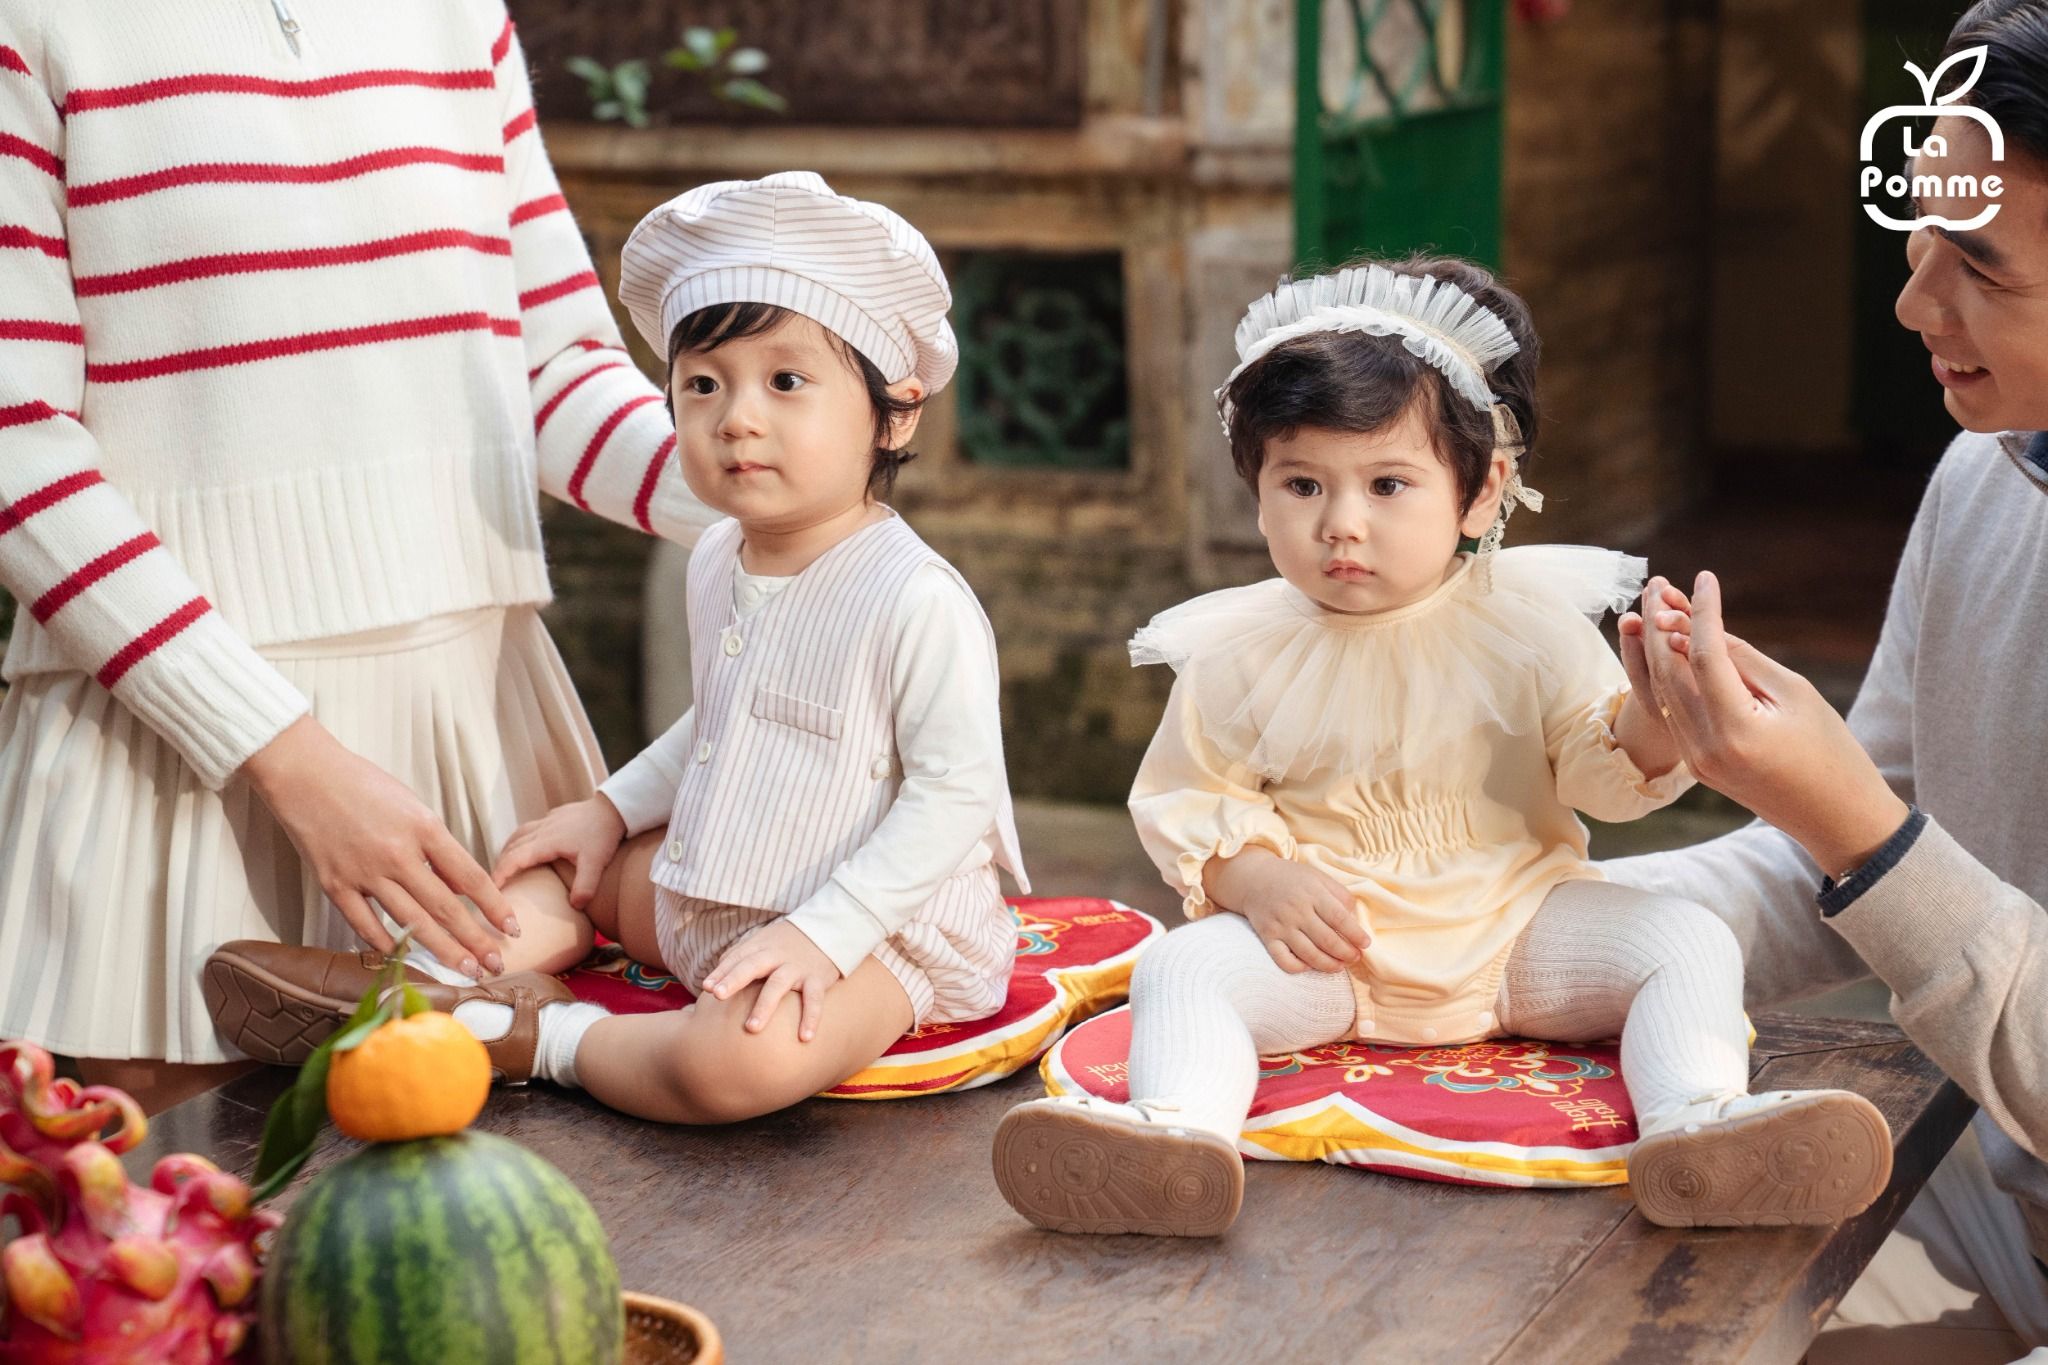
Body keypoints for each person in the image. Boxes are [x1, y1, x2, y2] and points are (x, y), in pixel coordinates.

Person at [990, 256, 1892, 1238]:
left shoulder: (1526, 624)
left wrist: (1651, 712)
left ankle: (1696, 1125)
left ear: (1478, 491)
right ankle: (1173, 1142)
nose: (1340, 524)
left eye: (1386, 484)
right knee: (1182, 970)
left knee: (1684, 938)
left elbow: (1599, 774)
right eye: (1300, 484)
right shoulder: (1241, 651)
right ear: (1254, 487)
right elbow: (1185, 794)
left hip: (1515, 936)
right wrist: (1254, 882)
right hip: (1332, 955)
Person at [0, 0, 714, 1106]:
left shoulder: (456, 13)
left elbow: (549, 367)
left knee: (500, 1239)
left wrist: (792, 500)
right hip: (176, 763)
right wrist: (286, 755)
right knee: (215, 1243)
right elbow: (18, 444)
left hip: (473, 727)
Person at [208, 172, 1032, 1123]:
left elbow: (953, 796)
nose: (738, 417)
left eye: (786, 381)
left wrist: (825, 933)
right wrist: (610, 806)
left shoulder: (916, 599)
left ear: (896, 412)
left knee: (739, 1066)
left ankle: (538, 1035)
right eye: (703, 385)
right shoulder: (720, 555)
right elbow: (721, 719)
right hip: (719, 888)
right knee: (559, 866)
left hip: (880, 931)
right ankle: (419, 981)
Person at [1602, 4, 2048, 1359]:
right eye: (1915, 237)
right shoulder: (1988, 476)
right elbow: (1847, 881)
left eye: (1978, 266)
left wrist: (1858, 823)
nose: (1916, 303)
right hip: (2000, 1195)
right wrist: (1482, 922)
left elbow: (1876, 847)